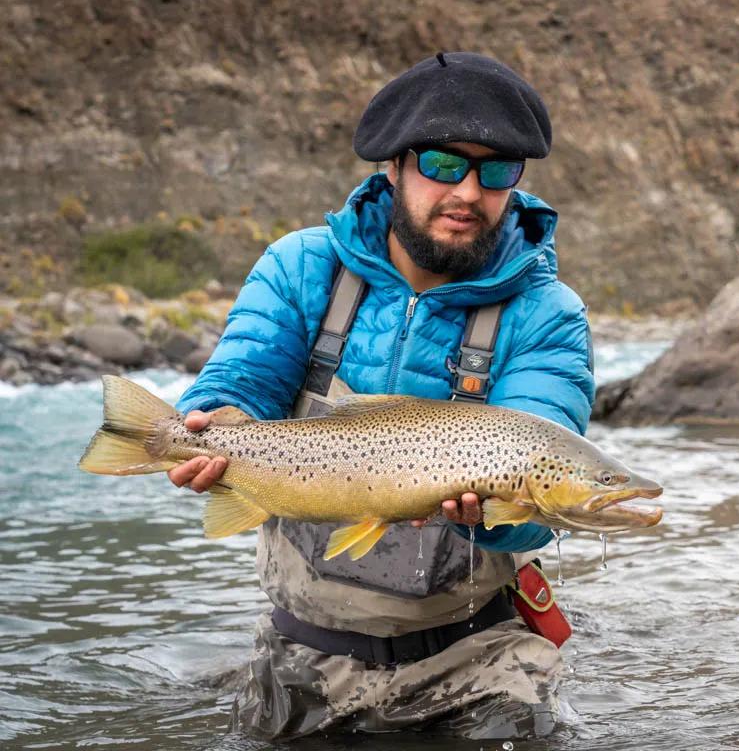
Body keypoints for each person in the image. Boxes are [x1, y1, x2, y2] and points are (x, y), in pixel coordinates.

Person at [169, 51, 594, 741]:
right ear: (393, 166)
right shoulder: (301, 266)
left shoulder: (548, 313)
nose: (467, 192)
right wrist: (212, 423)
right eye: (443, 166)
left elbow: (541, 476)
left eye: (495, 172)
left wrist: (494, 517)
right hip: (307, 650)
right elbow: (242, 381)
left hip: (480, 656)